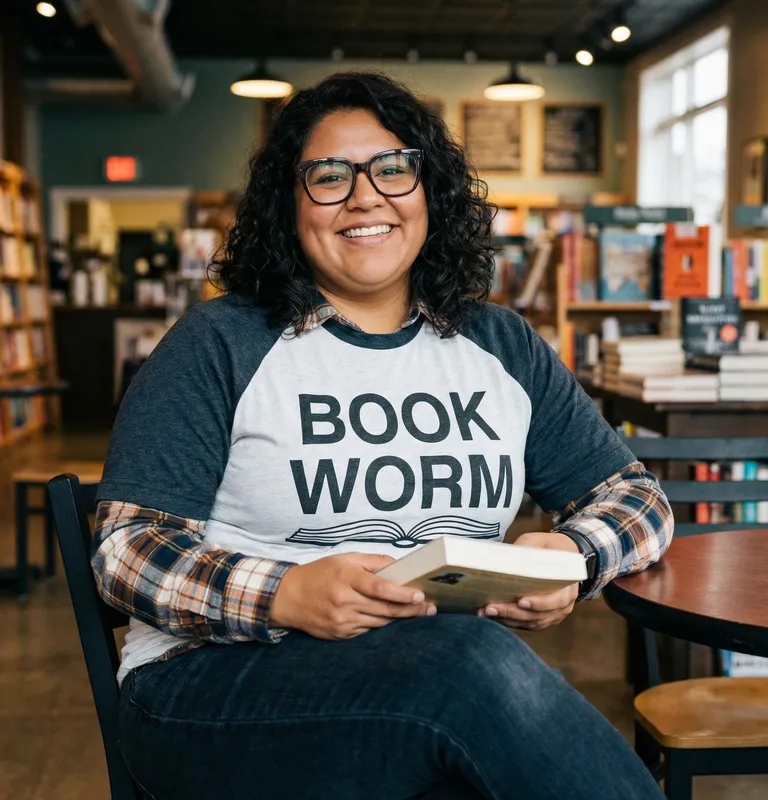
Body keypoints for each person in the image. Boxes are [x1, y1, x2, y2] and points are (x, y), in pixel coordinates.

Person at [93, 71, 673, 799]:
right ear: (289, 205)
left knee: (470, 735)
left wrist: (575, 557)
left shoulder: (501, 344)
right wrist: (284, 594)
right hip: (212, 688)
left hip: (427, 685)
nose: (365, 196)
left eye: (393, 169)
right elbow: (126, 550)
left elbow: (638, 501)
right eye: (329, 176)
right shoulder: (219, 344)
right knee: (471, 670)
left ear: (431, 192)